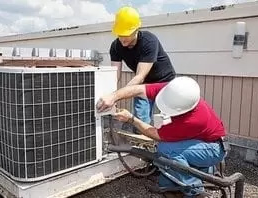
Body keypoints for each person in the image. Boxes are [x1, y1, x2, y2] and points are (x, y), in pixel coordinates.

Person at [96, 76, 226, 197]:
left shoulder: (194, 120)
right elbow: (138, 89)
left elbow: (156, 135)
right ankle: (205, 171)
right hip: (199, 141)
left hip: (214, 148)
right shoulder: (173, 91)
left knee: (165, 149)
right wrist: (113, 96)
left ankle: (196, 190)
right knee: (166, 183)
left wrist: (131, 119)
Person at [110, 6, 176, 131]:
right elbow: (115, 75)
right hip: (145, 84)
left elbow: (140, 76)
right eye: (120, 34)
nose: (123, 38)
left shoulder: (149, 41)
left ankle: (164, 147)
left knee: (166, 121)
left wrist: (116, 96)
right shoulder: (115, 46)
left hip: (165, 83)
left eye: (126, 34)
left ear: (136, 30)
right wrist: (111, 95)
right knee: (140, 119)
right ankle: (141, 147)